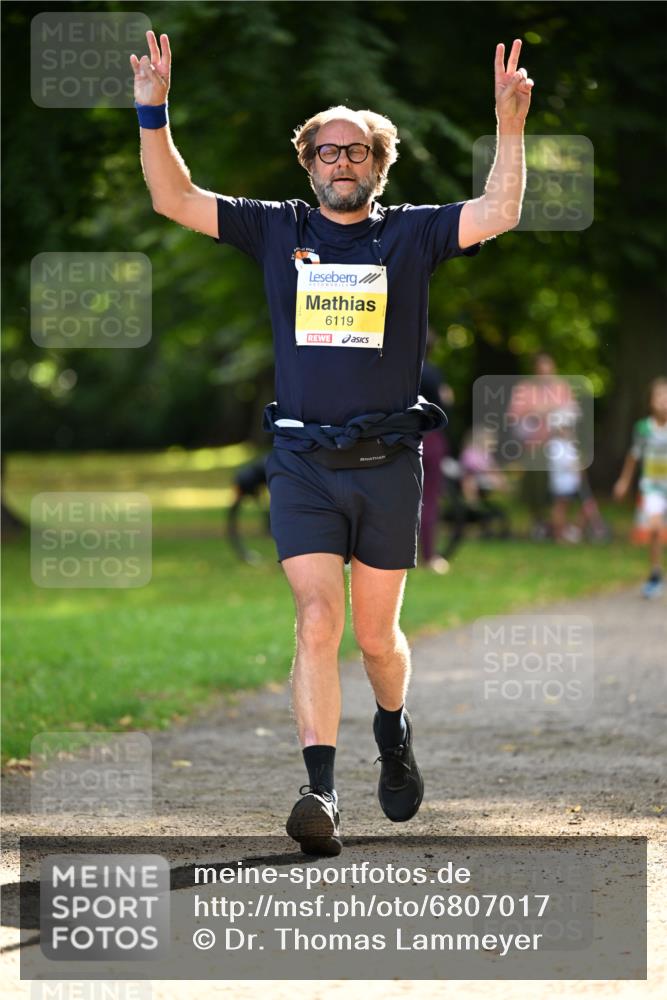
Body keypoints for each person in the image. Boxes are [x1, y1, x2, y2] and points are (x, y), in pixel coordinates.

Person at [131, 31, 534, 855]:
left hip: (386, 464)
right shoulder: (274, 228)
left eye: (356, 151)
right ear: (307, 162)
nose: (340, 162)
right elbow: (174, 197)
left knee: (376, 640)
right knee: (316, 618)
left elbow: (499, 212)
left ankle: (392, 730)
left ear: (378, 165)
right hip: (303, 462)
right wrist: (152, 111)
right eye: (327, 150)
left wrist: (508, 125)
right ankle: (319, 791)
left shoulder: (412, 234)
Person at [613, 377, 667, 598]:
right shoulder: (643, 428)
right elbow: (634, 456)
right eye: (659, 396)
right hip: (652, 487)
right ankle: (655, 573)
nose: (664, 400)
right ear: (651, 402)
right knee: (654, 529)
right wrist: (624, 481)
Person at [418, 332, 454, 574]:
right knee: (429, 498)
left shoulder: (397, 372)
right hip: (429, 438)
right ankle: (429, 555)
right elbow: (444, 402)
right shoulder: (432, 373)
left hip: (400, 439)